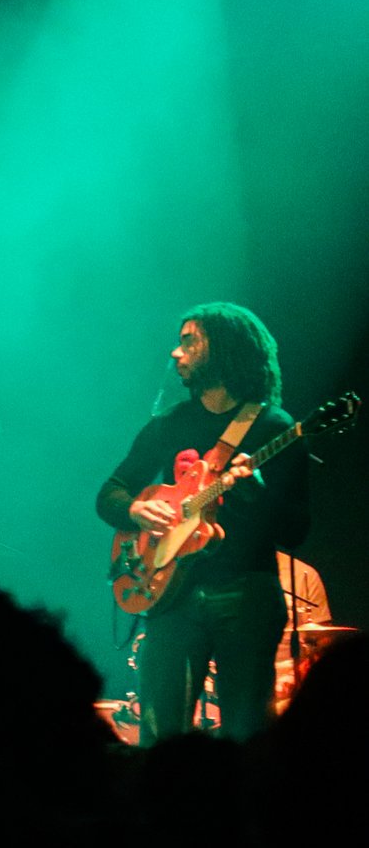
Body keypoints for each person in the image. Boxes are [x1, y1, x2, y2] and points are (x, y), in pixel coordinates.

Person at [97, 304, 311, 741]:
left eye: (190, 340)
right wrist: (136, 510)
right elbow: (110, 493)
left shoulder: (275, 427)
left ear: (227, 348)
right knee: (160, 735)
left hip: (245, 591)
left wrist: (256, 492)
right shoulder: (170, 424)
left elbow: (296, 531)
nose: (176, 353)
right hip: (170, 595)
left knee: (246, 735)